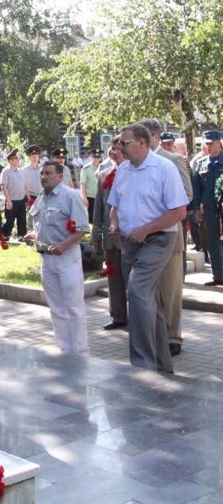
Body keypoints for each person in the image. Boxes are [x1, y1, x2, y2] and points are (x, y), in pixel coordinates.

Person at [108, 123, 188, 373]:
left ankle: (142, 366)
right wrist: (114, 223)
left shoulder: (165, 168)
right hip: (129, 242)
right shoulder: (123, 171)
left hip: (157, 240)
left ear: (142, 142)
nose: (120, 147)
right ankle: (163, 366)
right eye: (119, 143)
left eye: (125, 143)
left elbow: (179, 211)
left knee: (138, 290)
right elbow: (115, 205)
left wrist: (146, 229)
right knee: (149, 300)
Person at [139, 118, 193, 357]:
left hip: (168, 233)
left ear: (156, 137)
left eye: (146, 137)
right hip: (142, 237)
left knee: (170, 288)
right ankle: (152, 333)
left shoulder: (173, 160)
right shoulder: (135, 163)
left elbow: (187, 195)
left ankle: (173, 336)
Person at [24, 161, 90, 356]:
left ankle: (81, 353)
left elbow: (82, 229)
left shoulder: (70, 197)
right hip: (46, 260)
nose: (43, 177)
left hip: (67, 258)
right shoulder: (40, 200)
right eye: (42, 174)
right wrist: (32, 236)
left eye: (48, 173)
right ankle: (65, 350)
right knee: (56, 308)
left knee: (74, 308)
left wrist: (63, 245)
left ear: (60, 177)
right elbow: (40, 230)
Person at [92, 139, 128, 330]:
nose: (115, 153)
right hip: (110, 236)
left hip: (130, 236)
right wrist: (96, 235)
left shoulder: (133, 172)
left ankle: (138, 316)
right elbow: (99, 207)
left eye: (118, 149)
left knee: (132, 278)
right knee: (113, 276)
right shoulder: (104, 174)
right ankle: (118, 316)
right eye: (112, 149)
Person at [190, 129, 223, 286]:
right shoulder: (200, 164)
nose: (208, 146)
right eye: (206, 144)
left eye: (211, 143)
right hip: (209, 210)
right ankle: (218, 275)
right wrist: (196, 207)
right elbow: (196, 187)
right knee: (212, 242)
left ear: (219, 143)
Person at [0, 149, 28, 239]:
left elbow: (24, 185)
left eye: (17, 158)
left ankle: (22, 236)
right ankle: (5, 236)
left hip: (21, 200)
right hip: (12, 200)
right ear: (10, 161)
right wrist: (8, 201)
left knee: (22, 220)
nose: (17, 160)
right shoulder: (6, 172)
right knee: (10, 220)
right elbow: (4, 187)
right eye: (15, 159)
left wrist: (28, 197)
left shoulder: (20, 171)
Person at [79, 148, 102, 223]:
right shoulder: (86, 169)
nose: (96, 159)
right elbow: (83, 184)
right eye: (94, 157)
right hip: (90, 197)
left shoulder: (102, 168)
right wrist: (84, 198)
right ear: (91, 157)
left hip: (100, 197)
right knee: (91, 219)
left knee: (101, 218)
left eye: (98, 157)